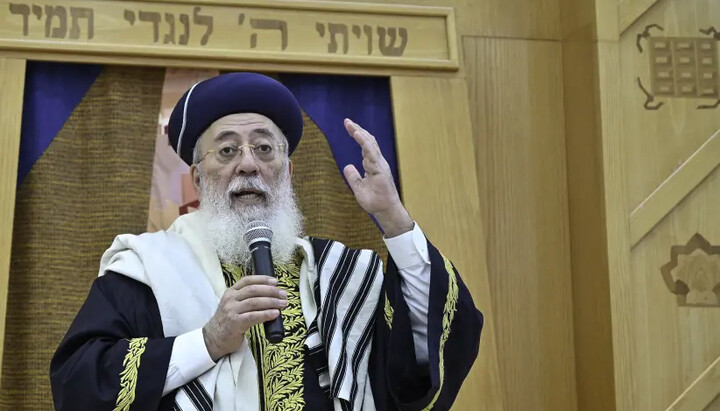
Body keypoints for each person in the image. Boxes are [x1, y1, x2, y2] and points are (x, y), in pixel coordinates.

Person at [49, 72, 483, 411]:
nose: (248, 165)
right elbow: (79, 385)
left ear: (288, 173)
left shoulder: (341, 275)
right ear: (198, 178)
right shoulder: (148, 269)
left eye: (264, 149)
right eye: (226, 151)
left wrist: (394, 220)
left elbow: (430, 354)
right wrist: (208, 341)